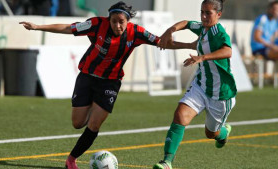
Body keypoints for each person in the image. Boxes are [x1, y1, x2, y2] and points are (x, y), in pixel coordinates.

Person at [20, 1, 189, 169]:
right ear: (108, 19)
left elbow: (162, 42)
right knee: (77, 123)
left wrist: (190, 45)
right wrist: (37, 27)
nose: (117, 25)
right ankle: (93, 107)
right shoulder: (96, 24)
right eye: (113, 21)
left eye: (121, 22)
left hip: (110, 82)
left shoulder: (136, 32)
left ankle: (71, 160)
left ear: (128, 21)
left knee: (94, 125)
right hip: (87, 77)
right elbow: (68, 28)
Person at [153, 0, 237, 168]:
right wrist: (170, 31)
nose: (204, 16)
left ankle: (223, 133)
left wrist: (202, 57)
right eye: (202, 12)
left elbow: (228, 51)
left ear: (218, 15)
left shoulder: (219, 32)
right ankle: (167, 162)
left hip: (221, 93)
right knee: (180, 116)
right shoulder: (202, 28)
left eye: (208, 13)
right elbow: (186, 23)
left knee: (210, 133)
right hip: (201, 85)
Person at [251, 0, 278, 87]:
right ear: (269, 9)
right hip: (259, 48)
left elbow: (273, 38)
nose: (277, 11)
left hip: (268, 48)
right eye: (275, 9)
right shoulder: (263, 19)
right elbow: (257, 37)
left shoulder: (275, 22)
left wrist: (275, 40)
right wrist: (272, 46)